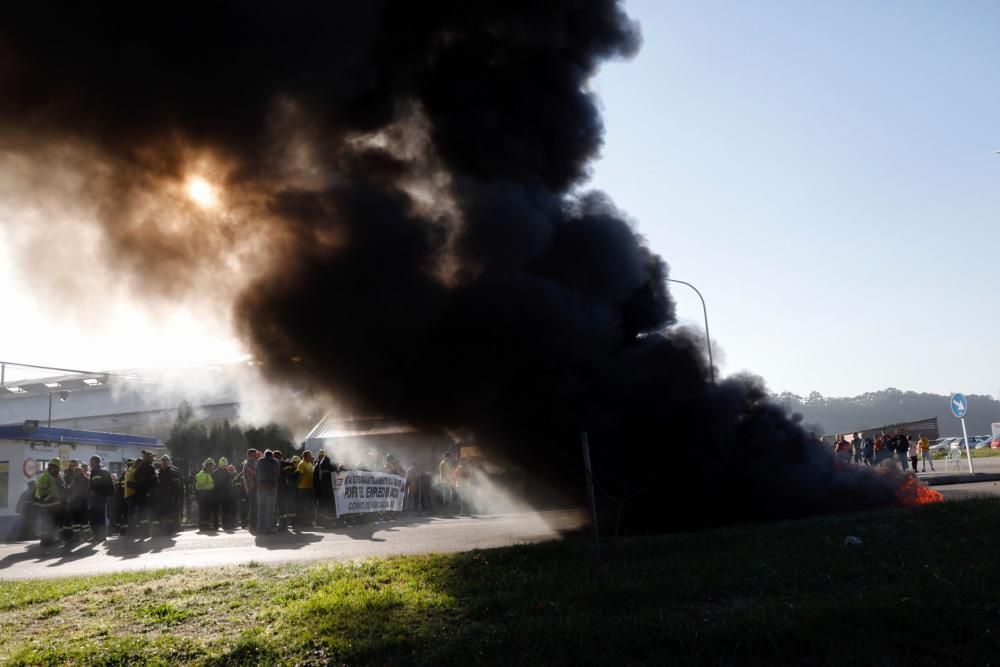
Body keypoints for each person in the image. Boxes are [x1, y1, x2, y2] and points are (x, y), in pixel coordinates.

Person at [34, 460, 66, 547]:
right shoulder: (45, 477)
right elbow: (43, 491)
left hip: (54, 504)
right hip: (46, 504)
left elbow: (62, 487)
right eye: (57, 468)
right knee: (47, 522)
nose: (59, 470)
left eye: (59, 468)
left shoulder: (56, 476)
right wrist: (51, 498)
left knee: (53, 522)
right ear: (52, 467)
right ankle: (45, 541)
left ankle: (51, 539)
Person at [87, 455, 115, 542]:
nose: (90, 464)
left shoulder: (104, 472)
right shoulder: (93, 472)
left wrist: (106, 496)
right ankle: (96, 535)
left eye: (92, 462)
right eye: (90, 462)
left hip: (100, 500)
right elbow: (91, 486)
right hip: (93, 500)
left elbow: (110, 486)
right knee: (93, 518)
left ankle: (101, 536)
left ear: (97, 462)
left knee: (99, 518)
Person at [157, 455, 183, 535]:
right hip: (162, 497)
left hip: (171, 497)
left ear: (169, 462)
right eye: (163, 461)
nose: (164, 463)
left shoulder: (173, 473)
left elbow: (177, 486)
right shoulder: (160, 473)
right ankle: (164, 529)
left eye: (166, 461)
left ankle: (170, 529)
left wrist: (173, 495)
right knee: (163, 513)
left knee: (170, 513)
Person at [255, 449, 280, 534]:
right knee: (270, 508)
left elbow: (256, 473)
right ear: (272, 455)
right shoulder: (275, 461)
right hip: (271, 486)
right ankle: (268, 528)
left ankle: (260, 528)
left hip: (261, 487)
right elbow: (277, 474)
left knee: (261, 507)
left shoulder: (259, 461)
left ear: (264, 455)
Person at [213, 457, 235, 530]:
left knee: (226, 510)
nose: (224, 466)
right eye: (223, 465)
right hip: (217, 494)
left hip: (226, 495)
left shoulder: (228, 474)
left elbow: (231, 484)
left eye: (225, 465)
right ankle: (215, 525)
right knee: (216, 510)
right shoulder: (214, 473)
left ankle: (225, 525)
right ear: (219, 465)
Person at [195, 458, 216, 531]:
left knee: (207, 511)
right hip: (203, 494)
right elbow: (200, 483)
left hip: (207, 494)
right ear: (206, 466)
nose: (212, 467)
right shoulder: (202, 473)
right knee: (204, 511)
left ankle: (206, 525)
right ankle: (203, 526)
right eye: (211, 465)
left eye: (212, 465)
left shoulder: (208, 473)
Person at [296, 451, 315, 527]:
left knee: (309, 506)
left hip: (310, 488)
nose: (311, 457)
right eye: (310, 455)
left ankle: (308, 521)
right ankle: (303, 522)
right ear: (306, 456)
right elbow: (300, 476)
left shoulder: (310, 464)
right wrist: (298, 485)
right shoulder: (301, 464)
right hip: (303, 488)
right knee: (304, 506)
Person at [242, 449, 259, 533]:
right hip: (251, 488)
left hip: (256, 488)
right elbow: (255, 473)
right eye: (254, 455)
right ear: (249, 455)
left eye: (255, 455)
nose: (255, 456)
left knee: (256, 507)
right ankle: (252, 525)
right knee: (253, 507)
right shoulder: (247, 464)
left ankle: (255, 524)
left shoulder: (254, 463)